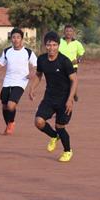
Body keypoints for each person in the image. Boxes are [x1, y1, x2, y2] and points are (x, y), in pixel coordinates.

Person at [28, 31, 78, 163]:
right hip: (49, 97)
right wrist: (32, 88)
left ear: (58, 46)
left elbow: (74, 80)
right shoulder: (42, 59)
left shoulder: (64, 61)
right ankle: (54, 137)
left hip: (64, 99)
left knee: (60, 126)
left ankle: (67, 151)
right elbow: (39, 75)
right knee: (38, 122)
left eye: (54, 45)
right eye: (49, 45)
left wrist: (70, 99)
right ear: (45, 45)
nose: (51, 48)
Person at [0, 28, 37, 135]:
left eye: (18, 37)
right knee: (4, 105)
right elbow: (1, 63)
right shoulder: (7, 51)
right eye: (13, 37)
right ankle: (9, 124)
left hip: (21, 81)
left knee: (11, 105)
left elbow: (36, 65)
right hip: (8, 80)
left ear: (22, 39)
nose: (15, 39)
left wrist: (32, 72)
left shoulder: (28, 52)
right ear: (11, 39)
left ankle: (11, 123)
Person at [58, 24, 85, 101]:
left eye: (70, 31)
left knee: (72, 81)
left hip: (73, 66)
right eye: (67, 31)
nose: (68, 33)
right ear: (64, 32)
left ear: (73, 33)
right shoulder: (59, 41)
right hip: (60, 66)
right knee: (61, 83)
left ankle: (74, 93)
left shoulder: (77, 43)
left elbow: (81, 53)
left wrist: (78, 60)